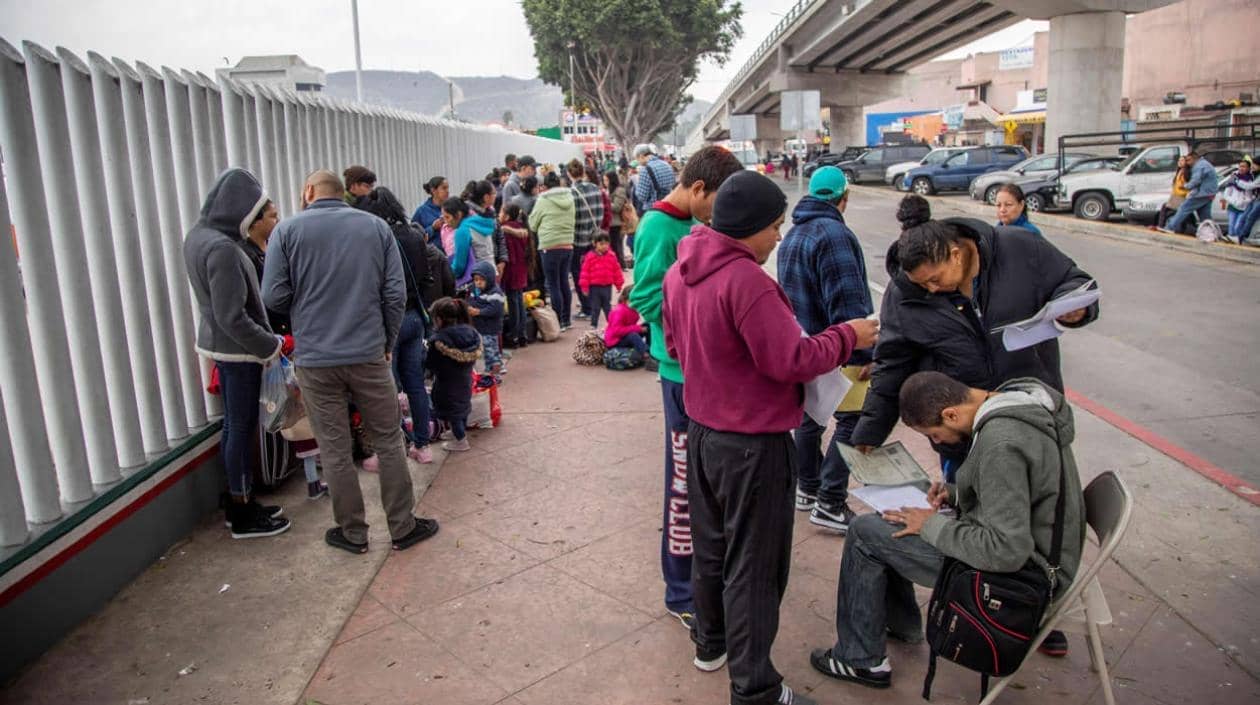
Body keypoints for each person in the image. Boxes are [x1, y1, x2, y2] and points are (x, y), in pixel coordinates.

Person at [662, 170, 879, 705]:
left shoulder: (681, 272)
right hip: (753, 447)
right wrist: (846, 335)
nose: (779, 238)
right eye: (775, 227)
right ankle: (755, 687)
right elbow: (792, 360)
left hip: (704, 435)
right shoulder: (748, 282)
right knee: (755, 567)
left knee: (712, 550)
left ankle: (710, 642)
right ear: (750, 227)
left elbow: (675, 345)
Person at [809, 371, 1086, 688]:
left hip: (1026, 577)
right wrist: (955, 495)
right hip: (1044, 551)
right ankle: (901, 626)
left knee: (863, 531)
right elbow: (1021, 493)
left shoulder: (1001, 443)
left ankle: (859, 659)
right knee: (893, 521)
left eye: (935, 435)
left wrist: (931, 525)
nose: (937, 443)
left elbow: (1006, 550)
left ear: (952, 414)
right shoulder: (1015, 403)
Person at [262, 169, 439, 555]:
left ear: (308, 191)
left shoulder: (286, 231)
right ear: (342, 193)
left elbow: (273, 296)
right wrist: (387, 341)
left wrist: (306, 309)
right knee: (388, 439)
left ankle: (353, 532)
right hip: (369, 353)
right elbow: (395, 294)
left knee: (334, 446)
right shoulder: (375, 228)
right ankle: (403, 526)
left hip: (315, 359)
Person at [850, 216, 1100, 484]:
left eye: (934, 279)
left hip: (1033, 415)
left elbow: (1073, 280)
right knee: (967, 500)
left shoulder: (1020, 248)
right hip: (963, 434)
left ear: (956, 255)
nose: (930, 289)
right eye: (922, 284)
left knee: (1040, 496)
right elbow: (892, 365)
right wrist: (870, 431)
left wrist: (1078, 309)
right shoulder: (905, 294)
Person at [630, 146, 744, 630]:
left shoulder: (696, 223)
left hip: (705, 372)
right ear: (698, 189)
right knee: (682, 486)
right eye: (717, 202)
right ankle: (681, 592)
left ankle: (705, 577)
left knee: (706, 482)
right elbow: (644, 296)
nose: (719, 214)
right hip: (679, 373)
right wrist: (693, 324)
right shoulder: (659, 226)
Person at [184, 168, 291, 538]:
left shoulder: (198, 236)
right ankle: (243, 511)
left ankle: (239, 501)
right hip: (240, 353)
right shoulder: (223, 249)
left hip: (223, 348)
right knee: (241, 429)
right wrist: (270, 346)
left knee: (234, 426)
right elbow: (232, 315)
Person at [777, 166, 873, 533]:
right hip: (838, 347)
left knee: (810, 420)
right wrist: (863, 354)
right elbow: (848, 301)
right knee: (854, 421)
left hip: (807, 345)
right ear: (842, 198)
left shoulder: (793, 234)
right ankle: (831, 501)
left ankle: (808, 486)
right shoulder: (834, 235)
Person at [357, 186, 438, 465]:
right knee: (415, 383)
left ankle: (390, 451)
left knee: (386, 389)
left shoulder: (375, 239)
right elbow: (427, 277)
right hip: (415, 317)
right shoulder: (415, 235)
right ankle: (422, 446)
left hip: (388, 322)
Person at [426, 297, 482, 452]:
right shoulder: (470, 333)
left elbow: (431, 363)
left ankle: (461, 440)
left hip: (446, 384)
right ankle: (458, 432)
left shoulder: (439, 340)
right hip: (465, 379)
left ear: (439, 319)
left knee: (453, 413)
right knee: (462, 408)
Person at [529, 171, 577, 330]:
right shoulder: (570, 197)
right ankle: (567, 320)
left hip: (549, 246)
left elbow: (533, 224)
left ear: (545, 186)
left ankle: (558, 322)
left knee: (553, 284)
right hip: (568, 243)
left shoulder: (543, 200)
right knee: (564, 282)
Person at [569, 159, 604, 321]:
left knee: (579, 273)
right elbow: (601, 211)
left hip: (579, 239)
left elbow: (573, 217)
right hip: (595, 236)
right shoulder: (595, 188)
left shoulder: (572, 192)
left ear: (569, 174)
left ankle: (587, 307)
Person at [499, 203, 531, 348]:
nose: (499, 215)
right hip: (521, 268)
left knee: (513, 302)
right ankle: (522, 335)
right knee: (519, 301)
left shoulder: (506, 229)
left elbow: (508, 252)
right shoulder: (522, 228)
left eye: (501, 212)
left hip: (511, 269)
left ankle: (514, 335)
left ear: (507, 216)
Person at [468, 261, 506, 379]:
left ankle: (494, 373)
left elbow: (495, 309)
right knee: (489, 350)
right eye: (476, 280)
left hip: (491, 327)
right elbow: (471, 301)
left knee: (491, 350)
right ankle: (494, 367)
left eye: (481, 280)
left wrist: (479, 311)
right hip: (481, 326)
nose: (478, 282)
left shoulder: (495, 292)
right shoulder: (474, 289)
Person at [1164, 150, 1218, 234]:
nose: (1187, 163)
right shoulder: (1205, 164)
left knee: (1183, 208)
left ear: (1194, 159)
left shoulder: (1199, 166)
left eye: (1188, 160)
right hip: (1209, 193)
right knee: (1205, 216)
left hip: (1201, 193)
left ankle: (1170, 227)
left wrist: (1185, 186)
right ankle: (1210, 233)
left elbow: (1196, 180)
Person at [448, 196, 497, 288]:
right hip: (492, 273)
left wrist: (447, 275)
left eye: (447, 217)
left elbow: (459, 266)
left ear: (458, 214)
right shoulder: (479, 223)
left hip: (478, 280)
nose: (446, 222)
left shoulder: (462, 230)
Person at [578, 232, 623, 328]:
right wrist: (584, 287)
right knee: (595, 307)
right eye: (601, 244)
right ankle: (593, 325)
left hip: (607, 287)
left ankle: (611, 324)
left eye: (606, 243)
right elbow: (585, 273)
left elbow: (616, 270)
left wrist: (619, 284)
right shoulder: (590, 256)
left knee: (607, 307)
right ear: (594, 244)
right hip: (594, 287)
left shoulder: (612, 256)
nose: (604, 246)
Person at [1220, 157, 1259, 243]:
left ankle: (1239, 239)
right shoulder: (1233, 178)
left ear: (1248, 168)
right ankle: (1233, 243)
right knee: (1232, 228)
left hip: (1244, 207)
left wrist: (1245, 201)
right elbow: (1226, 194)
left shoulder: (1252, 179)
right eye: (1240, 166)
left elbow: (1251, 191)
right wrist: (1234, 202)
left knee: (1239, 225)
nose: (1241, 168)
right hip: (1233, 207)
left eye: (1244, 166)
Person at [604, 284, 648, 357]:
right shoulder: (619, 311)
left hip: (624, 336)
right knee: (633, 335)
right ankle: (645, 354)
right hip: (615, 341)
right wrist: (638, 329)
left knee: (648, 325)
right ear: (625, 299)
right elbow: (617, 331)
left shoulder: (632, 309)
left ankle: (651, 348)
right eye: (633, 301)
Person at [633, 144, 677, 213]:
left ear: (641, 156)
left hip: (653, 209)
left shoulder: (645, 170)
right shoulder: (667, 165)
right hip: (668, 205)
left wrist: (637, 183)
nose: (638, 162)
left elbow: (642, 196)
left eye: (637, 159)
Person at [1152, 157, 1190, 232]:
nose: (1180, 162)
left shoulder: (1186, 174)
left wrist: (1183, 191)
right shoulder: (1179, 172)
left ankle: (1161, 226)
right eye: (1179, 160)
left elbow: (1186, 187)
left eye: (1182, 160)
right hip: (1175, 196)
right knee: (1167, 208)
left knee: (1165, 207)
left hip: (1181, 197)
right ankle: (1162, 225)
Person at [412, 176, 449, 245]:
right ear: (433, 191)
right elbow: (414, 237)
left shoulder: (451, 208)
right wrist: (432, 228)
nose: (447, 191)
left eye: (447, 188)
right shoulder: (422, 211)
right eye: (444, 188)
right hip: (433, 251)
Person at [605, 169, 629, 269]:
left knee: (617, 246)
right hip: (610, 222)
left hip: (617, 222)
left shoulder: (619, 190)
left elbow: (617, 207)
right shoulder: (608, 190)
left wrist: (605, 202)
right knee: (613, 245)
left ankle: (621, 265)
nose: (605, 182)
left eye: (606, 180)